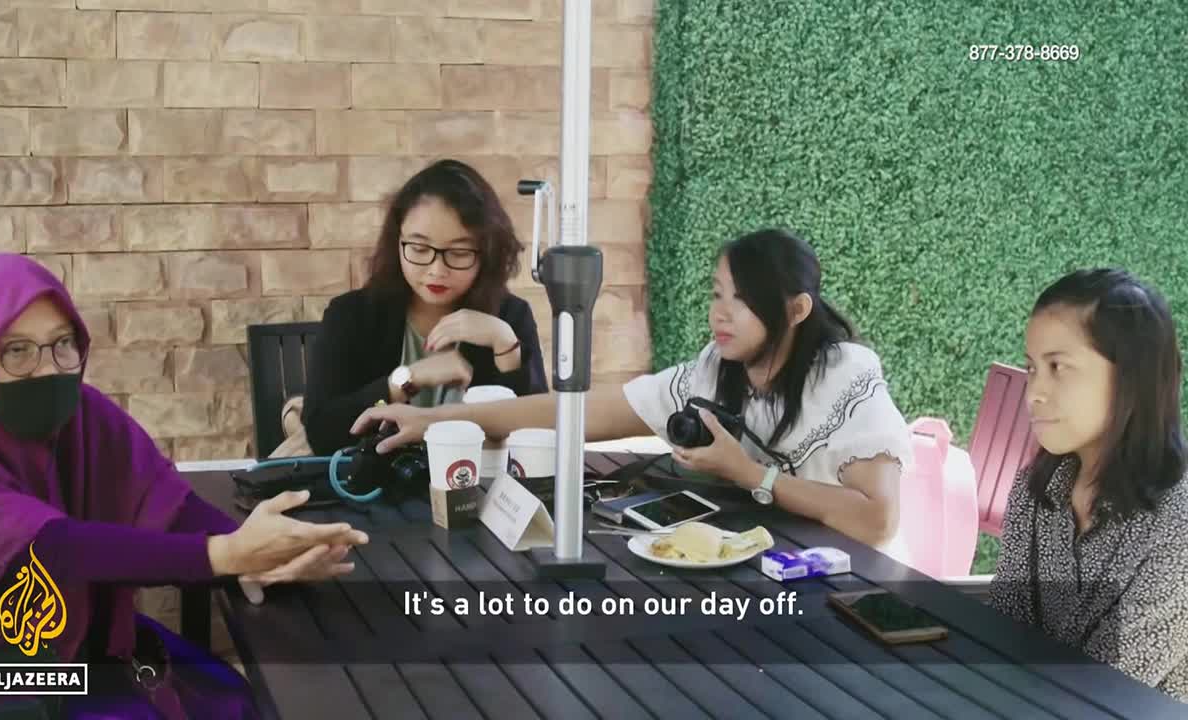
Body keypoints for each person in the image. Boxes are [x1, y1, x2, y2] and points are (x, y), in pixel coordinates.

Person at [0, 254, 369, 716]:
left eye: (62, 343)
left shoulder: (78, 415)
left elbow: (161, 499)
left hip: (71, 645)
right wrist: (224, 556)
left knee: (229, 697)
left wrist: (258, 549)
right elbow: (54, 551)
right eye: (15, 351)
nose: (48, 370)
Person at [354, 228, 913, 551]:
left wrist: (748, 475)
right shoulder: (716, 368)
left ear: (795, 311)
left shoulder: (844, 374)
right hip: (758, 567)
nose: (720, 315)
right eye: (717, 294)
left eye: (740, 301)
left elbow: (877, 520)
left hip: (848, 582)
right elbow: (579, 412)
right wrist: (432, 422)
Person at [989, 269, 1188, 701]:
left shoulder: (1180, 521)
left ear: (1132, 378)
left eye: (1058, 366)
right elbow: (1004, 632)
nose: (1034, 391)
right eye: (1032, 367)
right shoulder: (1036, 490)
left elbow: (1109, 691)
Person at [293, 159, 549, 458]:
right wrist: (403, 381)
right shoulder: (351, 315)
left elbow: (536, 439)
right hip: (376, 494)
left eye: (459, 252)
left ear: (487, 253)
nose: (436, 270)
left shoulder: (509, 317)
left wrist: (506, 347)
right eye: (419, 249)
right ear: (397, 243)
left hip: (479, 491)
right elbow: (323, 433)